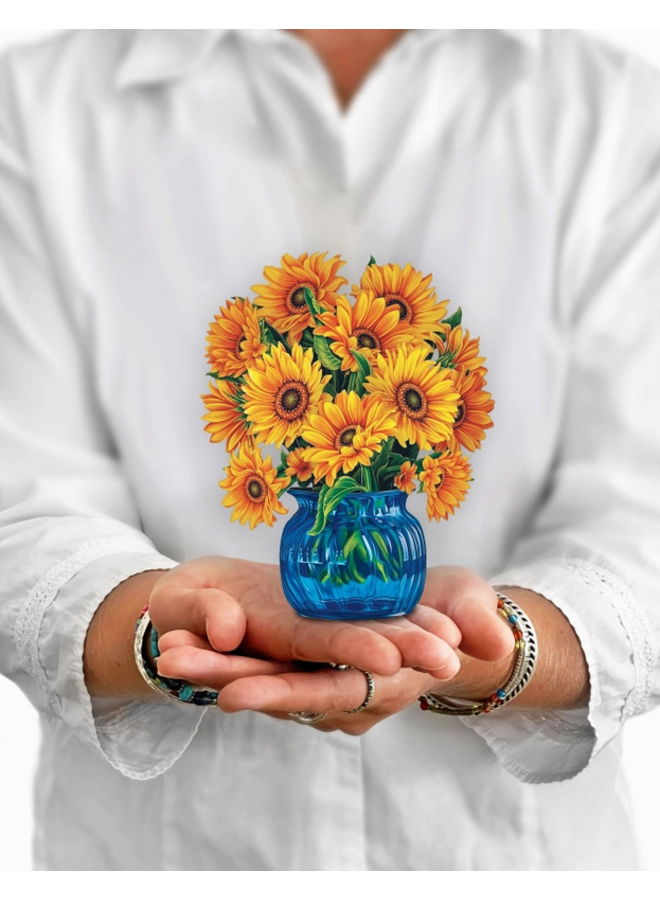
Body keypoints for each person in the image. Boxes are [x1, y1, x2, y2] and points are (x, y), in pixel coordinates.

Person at [0, 28, 659, 872]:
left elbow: (646, 515)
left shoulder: (617, 113)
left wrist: (505, 647)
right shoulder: (37, 108)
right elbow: (20, 504)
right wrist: (160, 628)